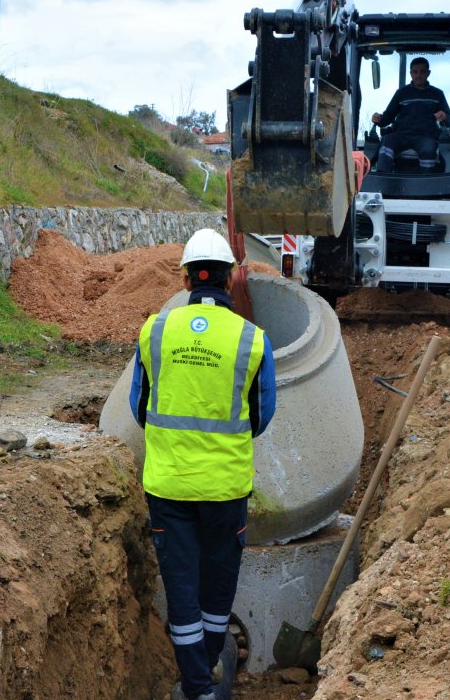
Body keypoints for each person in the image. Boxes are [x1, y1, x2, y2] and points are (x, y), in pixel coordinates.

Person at [129, 229, 277, 700]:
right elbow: (262, 414)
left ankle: (197, 686)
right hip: (226, 489)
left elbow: (139, 405)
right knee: (217, 588)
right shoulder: (252, 340)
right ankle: (209, 671)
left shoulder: (156, 329)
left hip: (168, 487)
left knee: (181, 589)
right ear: (232, 278)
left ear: (187, 279)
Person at [371, 57, 450, 173]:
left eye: (422, 72)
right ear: (410, 73)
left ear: (428, 73)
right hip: (402, 135)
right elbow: (388, 116)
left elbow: (449, 119)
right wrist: (378, 119)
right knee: (386, 142)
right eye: (415, 72)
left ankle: (426, 186)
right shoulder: (401, 93)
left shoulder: (437, 94)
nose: (418, 75)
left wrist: (444, 116)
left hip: (426, 137)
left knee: (429, 150)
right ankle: (382, 181)